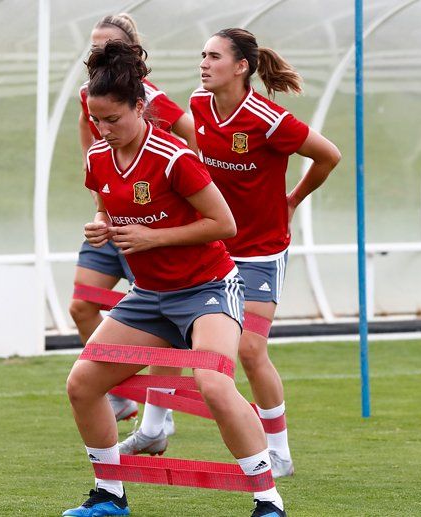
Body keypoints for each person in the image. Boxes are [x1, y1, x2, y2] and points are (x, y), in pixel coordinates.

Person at [62, 40, 287, 517]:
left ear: (140, 106)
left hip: (208, 288)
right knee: (82, 383)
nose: (104, 130)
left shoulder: (174, 156)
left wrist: (151, 238)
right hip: (149, 296)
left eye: (113, 119)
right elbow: (108, 207)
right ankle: (109, 496)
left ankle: (268, 502)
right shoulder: (99, 157)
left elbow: (225, 226)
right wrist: (101, 228)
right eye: (96, 120)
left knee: (214, 383)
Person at [120, 28, 341, 480]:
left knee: (251, 349)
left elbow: (328, 156)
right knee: (174, 339)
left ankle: (278, 453)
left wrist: (292, 200)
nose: (203, 63)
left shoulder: (269, 119)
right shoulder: (198, 105)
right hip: (213, 248)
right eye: (202, 55)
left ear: (241, 67)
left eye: (214, 56)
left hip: (260, 251)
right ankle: (153, 428)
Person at [70, 13, 192, 423]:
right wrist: (101, 208)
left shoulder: (149, 97)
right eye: (93, 44)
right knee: (81, 305)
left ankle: (159, 413)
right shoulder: (88, 95)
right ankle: (119, 395)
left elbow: (189, 133)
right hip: (112, 220)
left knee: (163, 317)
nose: (97, 51)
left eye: (105, 44)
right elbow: (91, 153)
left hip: (152, 223)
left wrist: (184, 182)